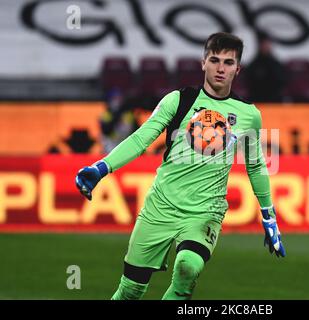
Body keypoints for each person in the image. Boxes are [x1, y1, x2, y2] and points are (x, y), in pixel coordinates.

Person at [75, 32, 286, 300]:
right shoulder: (178, 100)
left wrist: (268, 214)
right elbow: (141, 139)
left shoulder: (248, 114)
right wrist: (101, 168)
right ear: (203, 63)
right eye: (214, 60)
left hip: (204, 211)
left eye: (228, 62)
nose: (221, 68)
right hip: (160, 206)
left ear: (238, 68)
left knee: (188, 266)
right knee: (130, 291)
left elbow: (255, 165)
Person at [246, 32, 287, 102]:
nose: (266, 46)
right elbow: (250, 81)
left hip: (274, 97)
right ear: (260, 46)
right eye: (264, 44)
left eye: (268, 44)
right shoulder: (254, 64)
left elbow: (282, 80)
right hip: (258, 97)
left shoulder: (275, 63)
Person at [100, 88, 139, 153]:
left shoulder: (128, 114)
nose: (117, 101)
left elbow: (136, 130)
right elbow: (106, 131)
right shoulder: (106, 114)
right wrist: (116, 116)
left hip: (126, 143)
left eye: (119, 98)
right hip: (111, 144)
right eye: (114, 99)